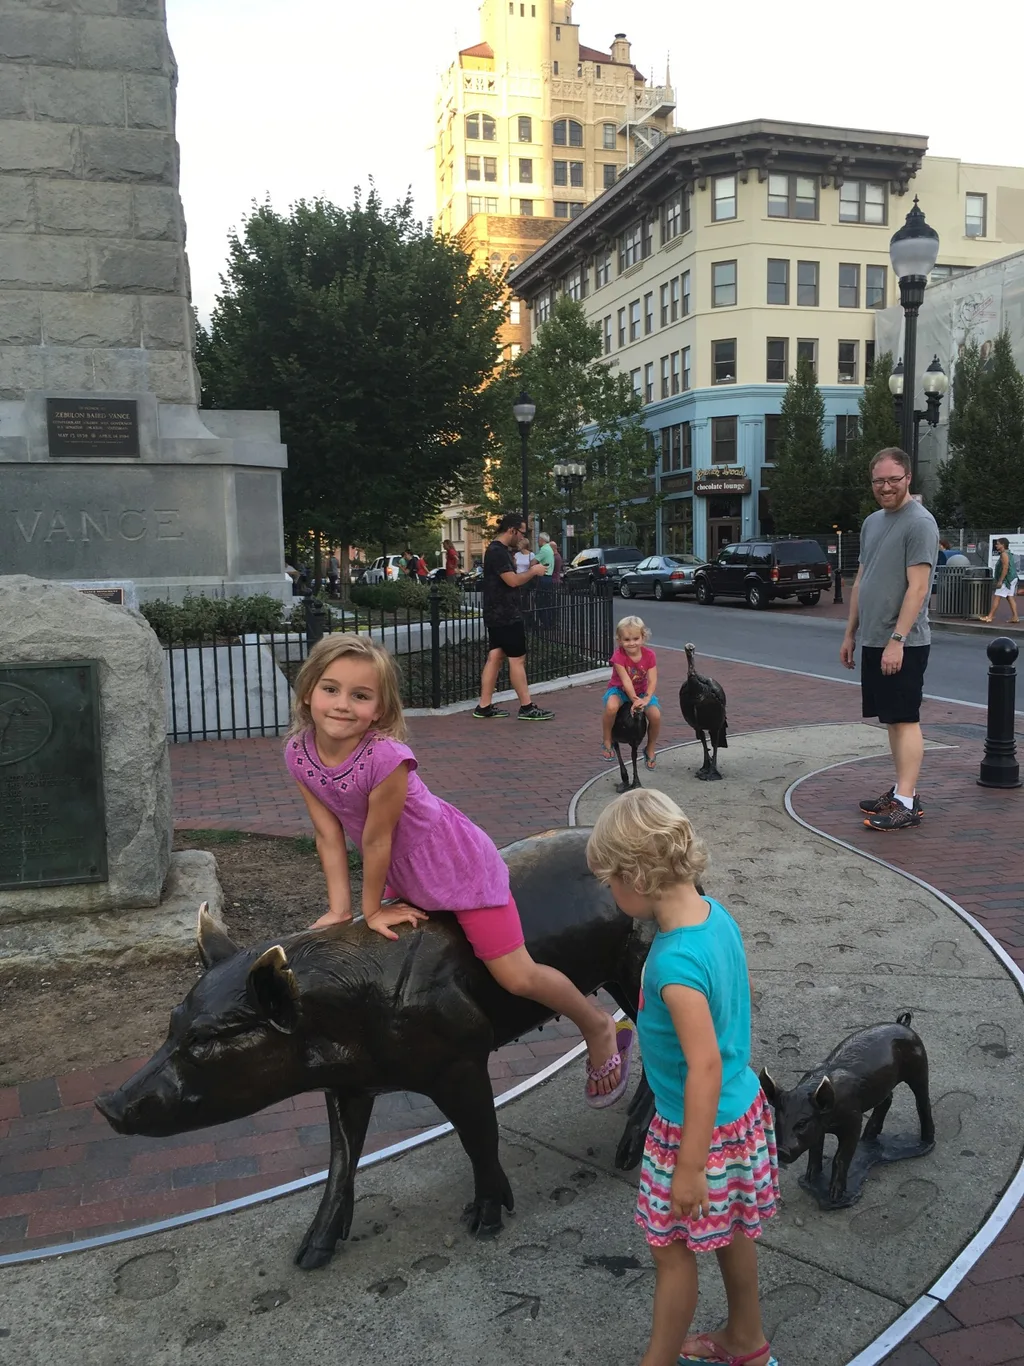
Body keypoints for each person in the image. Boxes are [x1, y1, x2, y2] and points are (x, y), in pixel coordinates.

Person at [286, 633, 627, 1103]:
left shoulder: (386, 759)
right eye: (330, 689)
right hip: (408, 875)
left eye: (360, 695)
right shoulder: (300, 754)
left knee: (516, 974)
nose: (342, 705)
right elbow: (328, 834)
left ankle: (597, 1025)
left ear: (380, 710)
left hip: (456, 866)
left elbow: (376, 839)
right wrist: (340, 912)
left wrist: (372, 909)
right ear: (307, 692)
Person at [586, 790, 780, 1366]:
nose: (610, 893)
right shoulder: (715, 917)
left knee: (671, 1253)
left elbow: (704, 1065)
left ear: (636, 879)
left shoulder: (672, 962)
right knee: (735, 1230)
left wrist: (691, 1166)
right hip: (739, 1114)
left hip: (698, 1133)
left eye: (610, 881)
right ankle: (746, 1339)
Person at [840, 447, 939, 832]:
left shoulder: (920, 523)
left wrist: (897, 639)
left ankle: (908, 802)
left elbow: (918, 589)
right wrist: (851, 634)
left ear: (908, 478)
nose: (885, 487)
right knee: (892, 720)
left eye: (893, 480)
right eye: (879, 481)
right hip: (874, 637)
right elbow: (861, 581)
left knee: (905, 719)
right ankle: (901, 792)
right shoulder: (872, 523)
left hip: (905, 642)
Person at [473, 512, 553, 721]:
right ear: (512, 530)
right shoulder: (498, 552)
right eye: (521, 532)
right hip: (506, 614)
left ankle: (484, 706)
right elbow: (513, 581)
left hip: (496, 612)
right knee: (517, 659)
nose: (523, 537)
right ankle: (526, 707)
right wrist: (534, 571)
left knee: (495, 656)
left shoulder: (498, 550)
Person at [602, 616, 661, 770]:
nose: (632, 643)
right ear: (620, 640)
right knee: (611, 707)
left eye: (636, 638)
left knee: (655, 715)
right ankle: (607, 738)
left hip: (642, 692)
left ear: (643, 637)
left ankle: (650, 747)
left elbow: (653, 679)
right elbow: (626, 680)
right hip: (620, 690)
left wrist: (646, 698)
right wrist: (634, 699)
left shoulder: (649, 656)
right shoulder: (619, 656)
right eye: (627, 639)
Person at [981, 537, 1020, 625]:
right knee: (1010, 597)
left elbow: (1005, 568)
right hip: (1012, 578)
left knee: (997, 596)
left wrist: (1000, 581)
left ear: (1003, 545)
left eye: (998, 544)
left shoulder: (1004, 554)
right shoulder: (1007, 553)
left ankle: (990, 616)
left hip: (1007, 580)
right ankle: (1015, 617)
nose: (996, 545)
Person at [535, 531, 557, 630]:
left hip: (544, 577)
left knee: (540, 602)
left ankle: (545, 624)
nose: (537, 541)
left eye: (538, 539)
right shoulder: (549, 549)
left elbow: (533, 562)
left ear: (541, 540)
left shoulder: (544, 550)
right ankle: (549, 623)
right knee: (547, 602)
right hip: (548, 578)